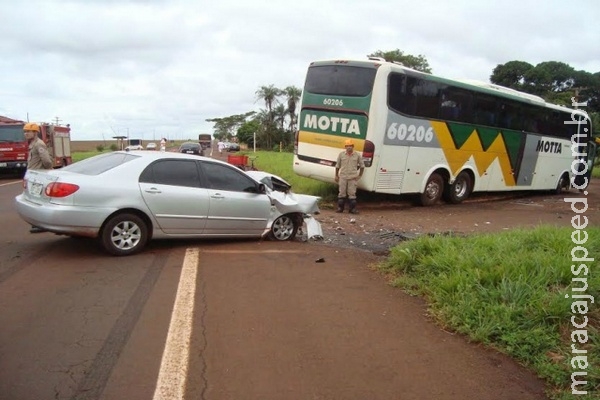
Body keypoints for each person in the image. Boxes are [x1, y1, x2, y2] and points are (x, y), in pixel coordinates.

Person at [23, 122, 53, 233]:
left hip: (38, 176)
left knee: (39, 202)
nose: (26, 134)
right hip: (32, 176)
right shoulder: (32, 144)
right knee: (32, 201)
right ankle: (37, 224)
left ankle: (42, 224)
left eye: (28, 131)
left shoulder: (39, 144)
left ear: (35, 132)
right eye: (25, 132)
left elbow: (46, 161)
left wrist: (47, 171)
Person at [334, 139, 365, 214]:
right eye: (347, 146)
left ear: (353, 146)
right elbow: (337, 166)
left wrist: (360, 175)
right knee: (341, 193)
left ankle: (352, 209)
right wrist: (336, 175)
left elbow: (362, 166)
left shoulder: (357, 155)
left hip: (352, 178)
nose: (349, 147)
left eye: (350, 146)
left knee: (352, 194)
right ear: (345, 147)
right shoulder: (341, 155)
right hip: (343, 177)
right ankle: (340, 208)